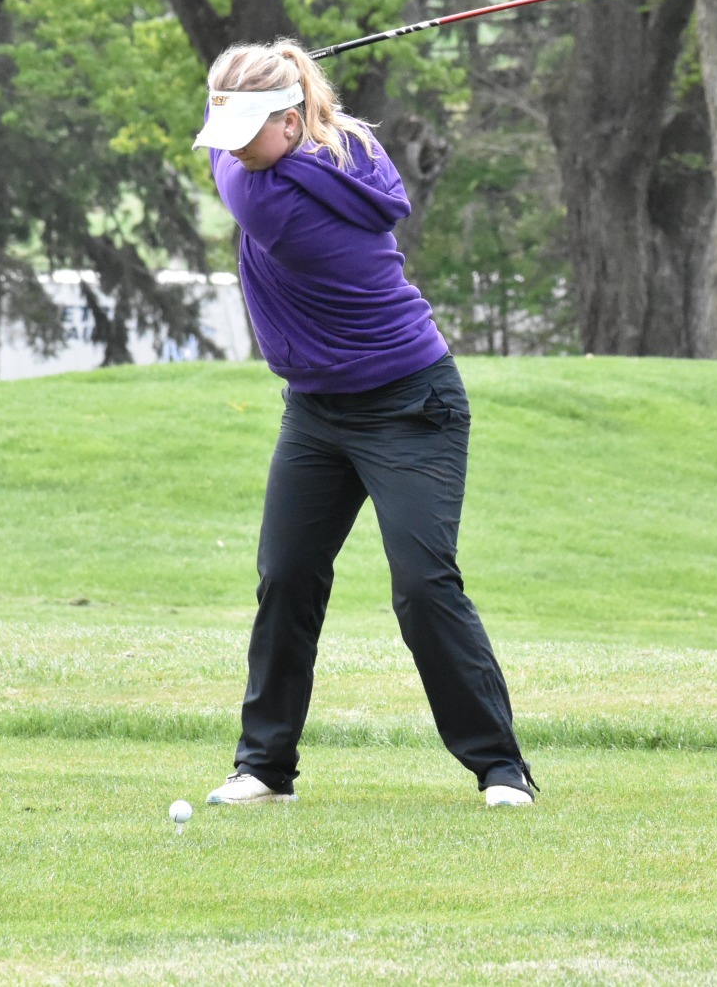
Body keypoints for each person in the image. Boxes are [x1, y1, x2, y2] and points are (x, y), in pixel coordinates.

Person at [193, 39, 536, 809]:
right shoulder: (347, 146)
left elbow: (229, 171)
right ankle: (264, 767)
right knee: (287, 576)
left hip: (410, 404)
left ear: (288, 123)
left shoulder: (266, 200)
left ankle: (501, 768)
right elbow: (289, 124)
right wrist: (267, 85)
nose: (233, 151)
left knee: (422, 584)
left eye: (247, 132)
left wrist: (267, 78)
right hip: (316, 411)